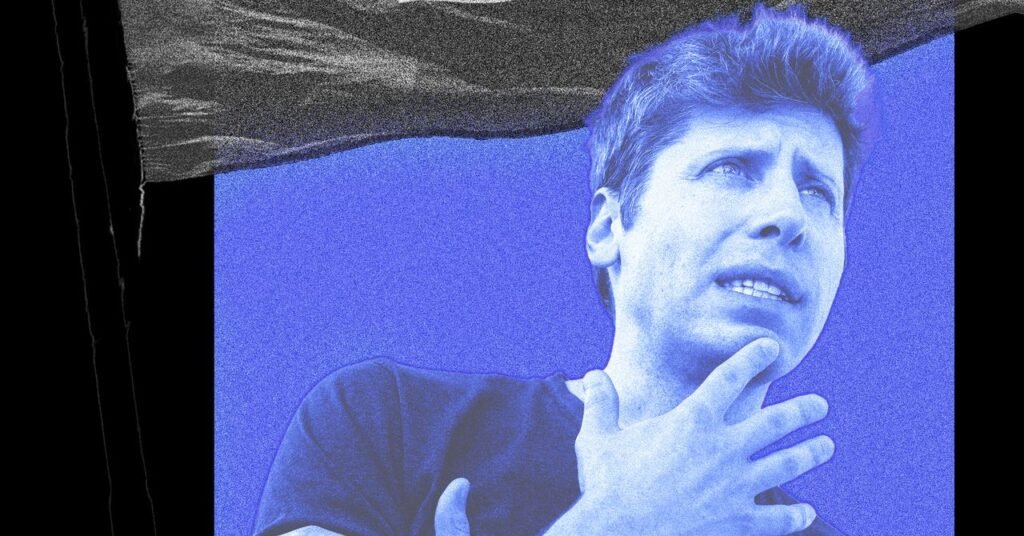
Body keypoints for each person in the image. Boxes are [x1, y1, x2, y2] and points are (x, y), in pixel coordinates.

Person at [253, 4, 875, 535]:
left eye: (817, 191)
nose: (787, 215)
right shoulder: (386, 424)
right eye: (732, 168)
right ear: (608, 228)